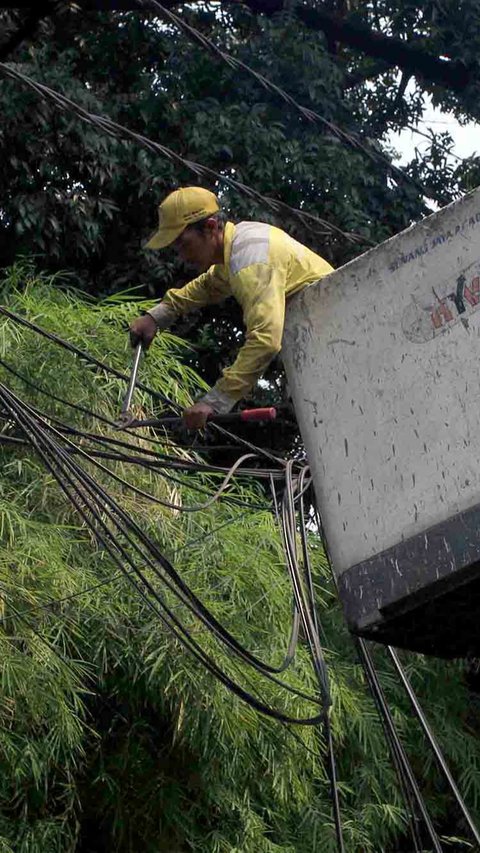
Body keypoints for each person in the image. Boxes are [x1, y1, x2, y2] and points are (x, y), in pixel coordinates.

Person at [130, 186, 334, 429]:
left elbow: (265, 340)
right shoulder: (238, 244)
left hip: (335, 337)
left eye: (184, 244)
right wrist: (158, 316)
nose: (182, 256)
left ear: (210, 227)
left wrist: (215, 401)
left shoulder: (250, 260)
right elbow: (208, 285)